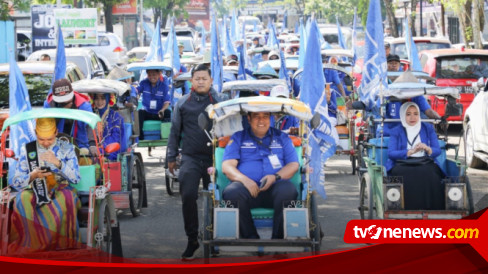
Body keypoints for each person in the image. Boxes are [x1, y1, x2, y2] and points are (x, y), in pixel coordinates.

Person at [167, 64, 227, 260]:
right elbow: (175, 131)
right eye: (197, 78)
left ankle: (216, 238)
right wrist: (171, 157)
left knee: (218, 198)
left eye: (204, 78)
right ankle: (192, 239)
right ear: (191, 81)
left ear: (211, 81)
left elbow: (231, 130)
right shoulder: (182, 103)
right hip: (191, 158)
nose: (201, 81)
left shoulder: (221, 102)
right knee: (189, 195)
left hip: (215, 158)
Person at [221, 111, 299, 239]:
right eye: (257, 116)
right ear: (249, 118)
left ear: (271, 118)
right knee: (231, 192)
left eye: (265, 117)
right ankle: (250, 238)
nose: (261, 121)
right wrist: (245, 180)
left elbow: (293, 165)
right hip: (247, 191)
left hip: (275, 189)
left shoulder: (282, 137)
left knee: (288, 190)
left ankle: (278, 240)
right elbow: (227, 166)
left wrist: (275, 177)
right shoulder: (238, 137)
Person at [9, 118, 81, 253]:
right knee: (21, 199)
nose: (46, 143)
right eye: (41, 139)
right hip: (35, 187)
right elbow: (17, 181)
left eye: (49, 139)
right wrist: (32, 175)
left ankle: (64, 245)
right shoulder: (28, 149)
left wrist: (59, 164)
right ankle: (31, 244)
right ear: (36, 133)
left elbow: (76, 178)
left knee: (67, 198)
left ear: (56, 132)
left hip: (61, 187)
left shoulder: (67, 148)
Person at [386, 102, 445, 210]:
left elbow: (437, 150)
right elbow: (391, 153)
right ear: (403, 115)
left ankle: (432, 209)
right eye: (408, 114)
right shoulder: (396, 131)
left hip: (425, 161)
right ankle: (404, 209)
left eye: (416, 114)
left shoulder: (428, 128)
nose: (412, 117)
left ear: (419, 115)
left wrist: (427, 148)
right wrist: (409, 152)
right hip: (402, 163)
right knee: (402, 173)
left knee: (431, 173)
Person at [44, 79, 96, 153]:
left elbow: (91, 125)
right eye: (61, 101)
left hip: (80, 145)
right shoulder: (49, 104)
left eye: (67, 100)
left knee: (84, 153)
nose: (65, 102)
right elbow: (45, 125)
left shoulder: (84, 105)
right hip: (55, 144)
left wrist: (92, 144)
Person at [136, 69, 171, 140]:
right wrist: (133, 93)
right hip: (147, 112)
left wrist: (162, 110)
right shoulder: (143, 83)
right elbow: (136, 90)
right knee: (139, 112)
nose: (152, 77)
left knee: (167, 112)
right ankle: (140, 137)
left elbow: (167, 102)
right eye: (149, 75)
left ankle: (165, 137)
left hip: (159, 113)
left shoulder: (164, 86)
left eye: (154, 74)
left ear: (159, 74)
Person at [91, 93, 124, 161]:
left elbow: (115, 138)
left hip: (111, 149)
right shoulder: (91, 116)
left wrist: (101, 146)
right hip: (94, 148)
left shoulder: (116, 117)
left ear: (108, 98)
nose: (99, 102)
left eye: (103, 98)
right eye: (97, 98)